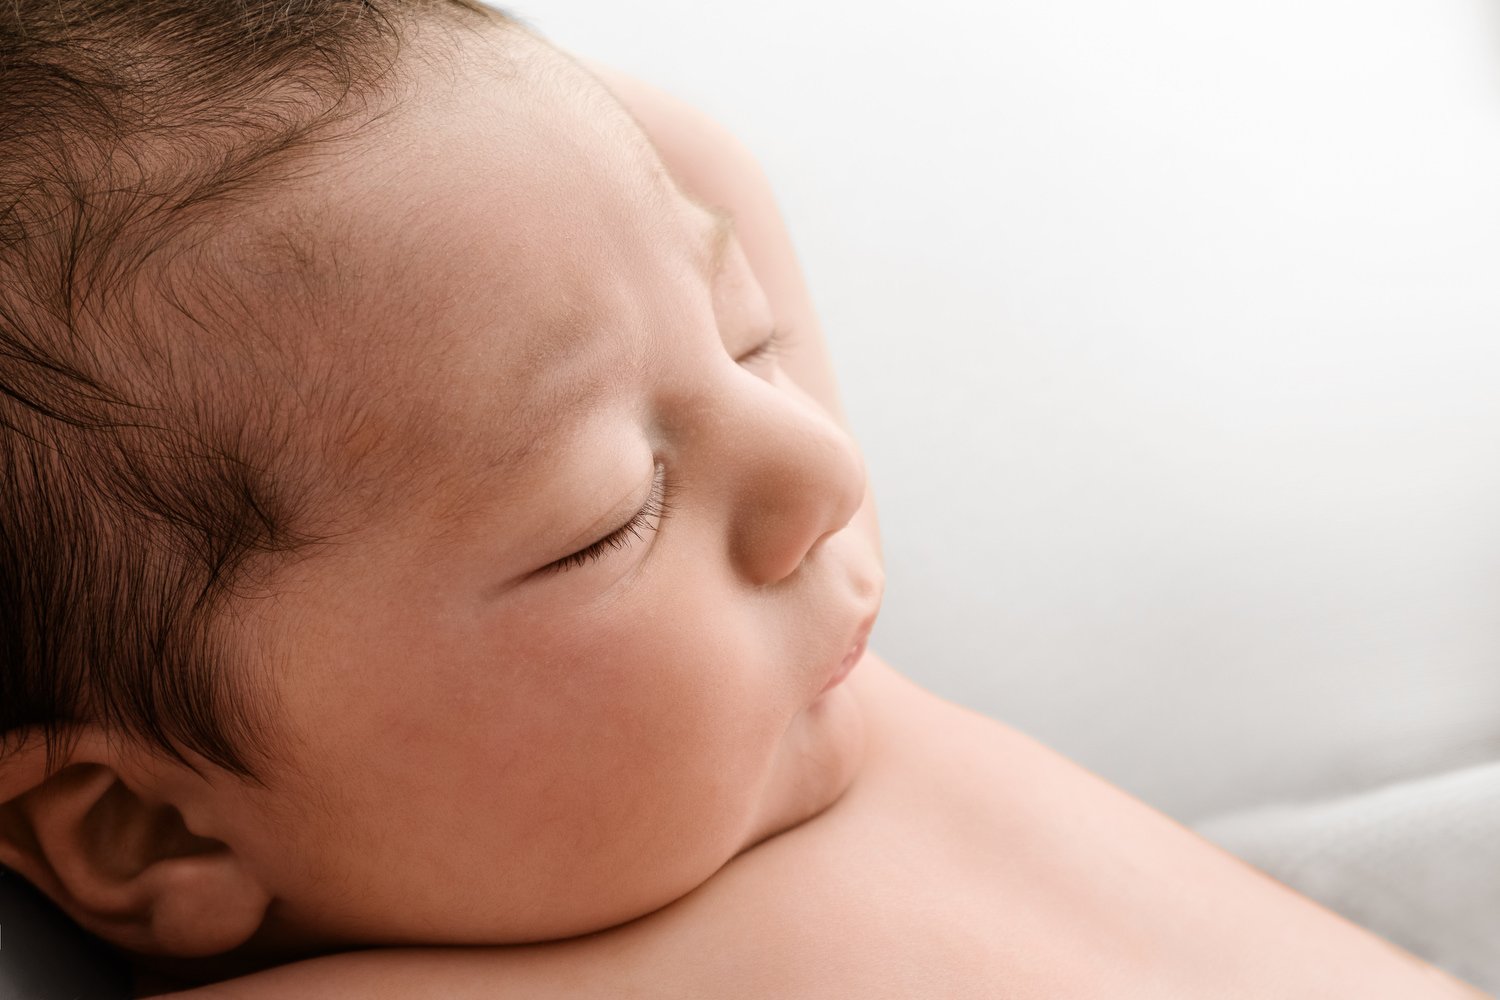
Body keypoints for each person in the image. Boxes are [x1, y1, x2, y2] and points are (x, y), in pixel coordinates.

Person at [0, 2, 1487, 996]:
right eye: (610, 514)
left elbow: (665, 167)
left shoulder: (810, 702)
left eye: (745, 336)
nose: (822, 478)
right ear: (141, 829)